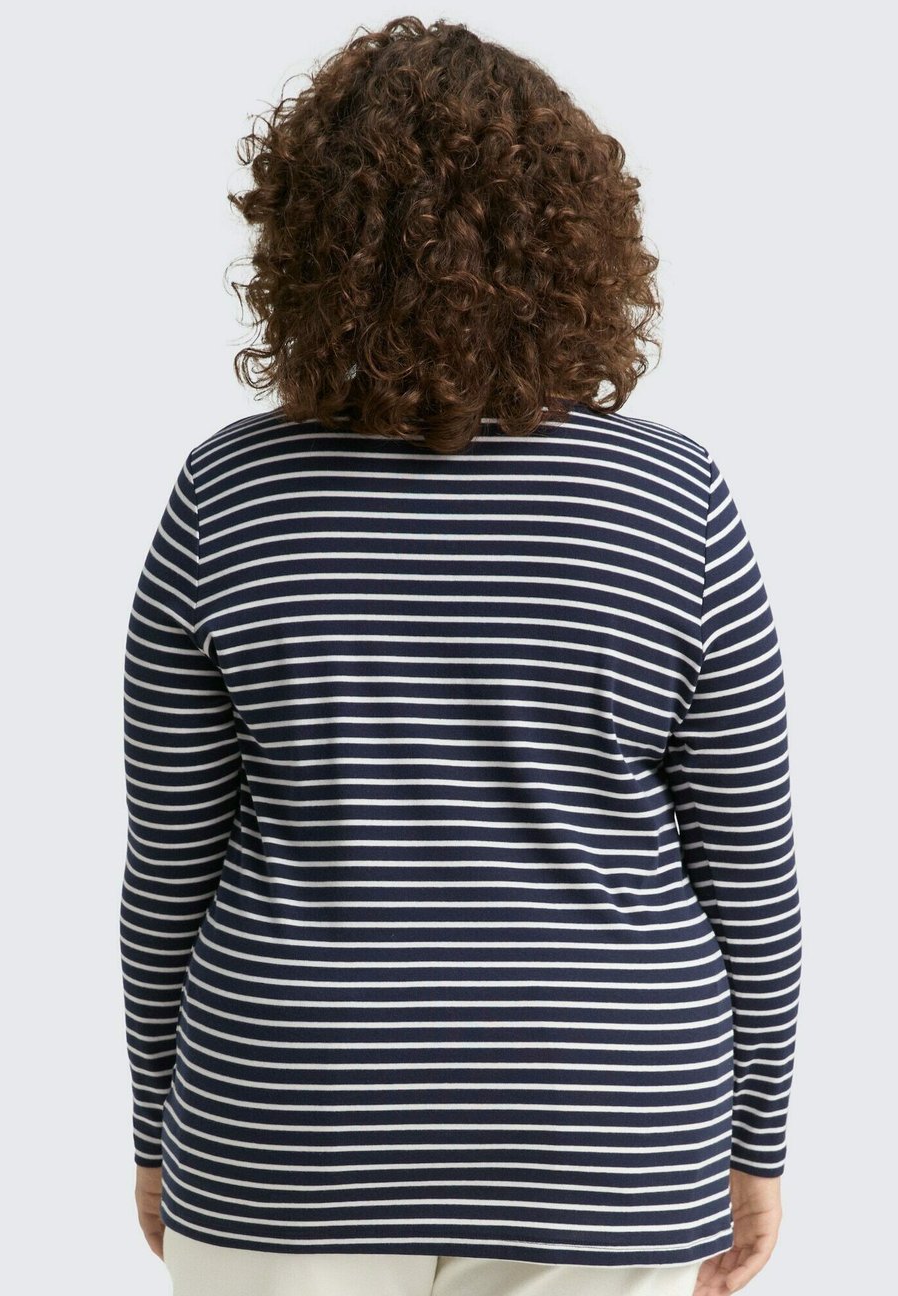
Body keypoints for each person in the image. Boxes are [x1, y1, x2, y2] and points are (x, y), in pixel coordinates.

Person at [119, 16, 801, 1296]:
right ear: (576, 241)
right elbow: (748, 866)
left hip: (293, 1118)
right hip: (604, 1120)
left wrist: (158, 1128)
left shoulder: (229, 494)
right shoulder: (675, 500)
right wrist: (754, 1139)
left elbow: (172, 862)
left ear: (309, 244)